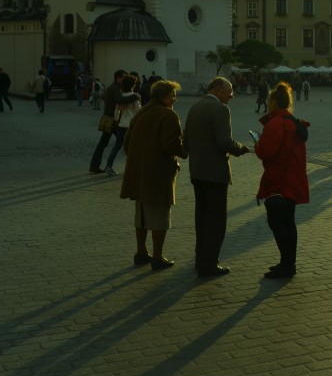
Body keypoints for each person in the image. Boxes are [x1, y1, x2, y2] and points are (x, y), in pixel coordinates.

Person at [184, 77, 252, 278]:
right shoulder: (220, 109)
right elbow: (224, 142)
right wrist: (241, 148)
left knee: (202, 217)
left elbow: (186, 140)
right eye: (229, 91)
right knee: (216, 220)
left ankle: (200, 259)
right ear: (218, 89)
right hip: (215, 174)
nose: (232, 95)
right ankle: (209, 264)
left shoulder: (194, 107)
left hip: (197, 172)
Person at [120, 80, 187, 270]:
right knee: (159, 216)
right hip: (158, 173)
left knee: (141, 215)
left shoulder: (142, 112)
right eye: (173, 95)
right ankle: (157, 256)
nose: (175, 99)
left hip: (138, 173)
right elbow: (170, 145)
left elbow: (127, 142)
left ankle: (141, 252)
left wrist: (138, 160)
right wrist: (185, 150)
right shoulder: (168, 115)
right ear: (163, 96)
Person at [255, 82, 310, 279]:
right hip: (293, 178)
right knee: (289, 223)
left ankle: (286, 265)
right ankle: (288, 263)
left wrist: (257, 144)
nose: (267, 103)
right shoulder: (294, 122)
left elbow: (266, 152)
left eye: (269, 100)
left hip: (279, 179)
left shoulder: (275, 124)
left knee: (277, 222)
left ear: (275, 102)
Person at [90, 70, 138, 174]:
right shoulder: (115, 88)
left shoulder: (112, 88)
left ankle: (95, 165)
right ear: (118, 77)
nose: (125, 80)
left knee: (107, 143)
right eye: (123, 78)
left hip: (110, 118)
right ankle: (133, 165)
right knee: (124, 143)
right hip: (113, 120)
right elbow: (119, 100)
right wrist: (134, 96)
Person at [105, 74, 143, 175]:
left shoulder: (120, 96)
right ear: (133, 85)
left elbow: (116, 112)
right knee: (133, 147)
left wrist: (117, 120)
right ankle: (134, 167)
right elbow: (138, 111)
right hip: (131, 125)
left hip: (121, 125)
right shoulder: (135, 96)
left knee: (117, 146)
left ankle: (108, 166)